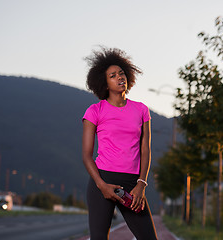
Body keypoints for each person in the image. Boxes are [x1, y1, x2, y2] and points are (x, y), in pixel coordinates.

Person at [82, 47, 158, 240]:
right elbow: (86, 155)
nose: (120, 78)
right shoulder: (95, 111)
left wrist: (141, 184)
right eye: (113, 75)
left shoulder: (141, 110)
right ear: (104, 82)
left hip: (133, 183)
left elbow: (145, 149)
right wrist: (101, 185)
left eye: (122, 73)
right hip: (103, 180)